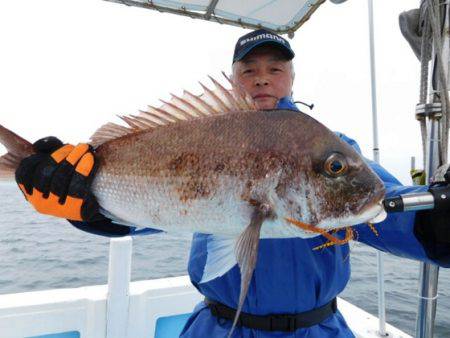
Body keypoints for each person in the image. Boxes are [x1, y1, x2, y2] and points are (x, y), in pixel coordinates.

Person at [14, 29, 450, 338]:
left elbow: (390, 209)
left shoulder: (329, 147)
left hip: (319, 329)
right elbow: (144, 215)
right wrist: (88, 206)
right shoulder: (203, 134)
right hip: (220, 326)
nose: (263, 78)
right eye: (249, 69)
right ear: (234, 78)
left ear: (291, 79)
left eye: (275, 68)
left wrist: (439, 223)